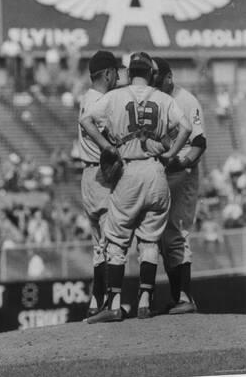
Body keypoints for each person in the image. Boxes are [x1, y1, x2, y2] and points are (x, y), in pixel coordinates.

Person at [81, 52, 191, 323]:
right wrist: (171, 154)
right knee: (150, 239)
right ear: (150, 73)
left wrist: (106, 146)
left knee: (117, 239)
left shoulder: (116, 96)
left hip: (129, 169)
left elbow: (86, 121)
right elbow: (186, 127)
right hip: (156, 171)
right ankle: (145, 300)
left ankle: (114, 303)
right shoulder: (164, 98)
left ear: (130, 72)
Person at [152, 57, 207, 314]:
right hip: (166, 171)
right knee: (164, 238)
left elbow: (199, 143)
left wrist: (181, 162)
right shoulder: (158, 99)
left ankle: (186, 297)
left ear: (169, 77)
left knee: (178, 232)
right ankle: (178, 297)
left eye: (157, 79)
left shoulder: (186, 100)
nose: (154, 84)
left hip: (183, 172)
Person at [78, 50, 120, 317]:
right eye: (115, 71)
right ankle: (109, 304)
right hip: (101, 175)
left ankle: (96, 301)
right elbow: (111, 134)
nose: (118, 75)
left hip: (87, 174)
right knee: (111, 239)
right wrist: (110, 147)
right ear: (107, 74)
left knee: (98, 243)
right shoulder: (102, 102)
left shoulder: (86, 97)